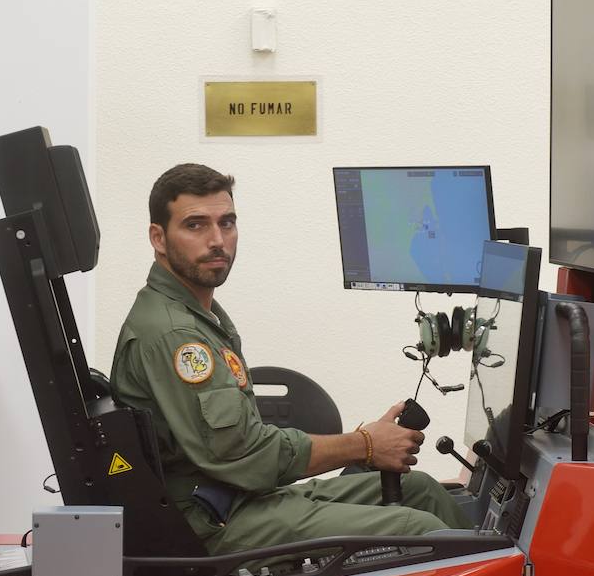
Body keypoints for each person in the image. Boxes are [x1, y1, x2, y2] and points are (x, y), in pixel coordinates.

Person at [111, 164, 471, 554]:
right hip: (211, 520)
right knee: (417, 529)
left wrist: (364, 443)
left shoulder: (196, 313)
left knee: (422, 490)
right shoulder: (176, 334)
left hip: (238, 496)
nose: (217, 240)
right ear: (158, 238)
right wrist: (364, 445)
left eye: (227, 223)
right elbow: (242, 454)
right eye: (196, 225)